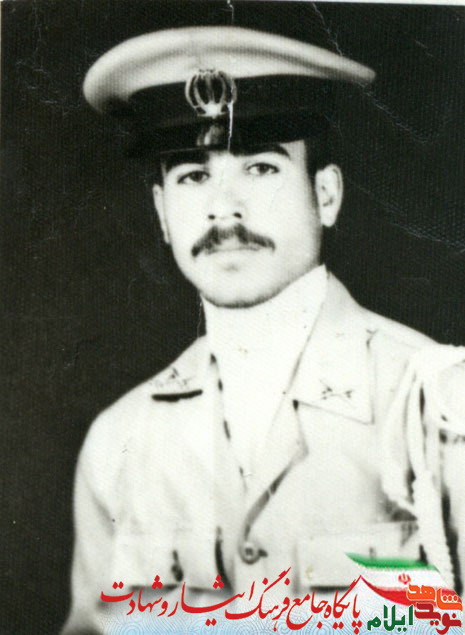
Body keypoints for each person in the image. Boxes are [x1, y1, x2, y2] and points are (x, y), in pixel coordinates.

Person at [62, 25, 465, 633]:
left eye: (260, 167)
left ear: (325, 195)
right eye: (193, 175)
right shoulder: (121, 442)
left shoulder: (438, 408)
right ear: (162, 212)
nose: (224, 208)